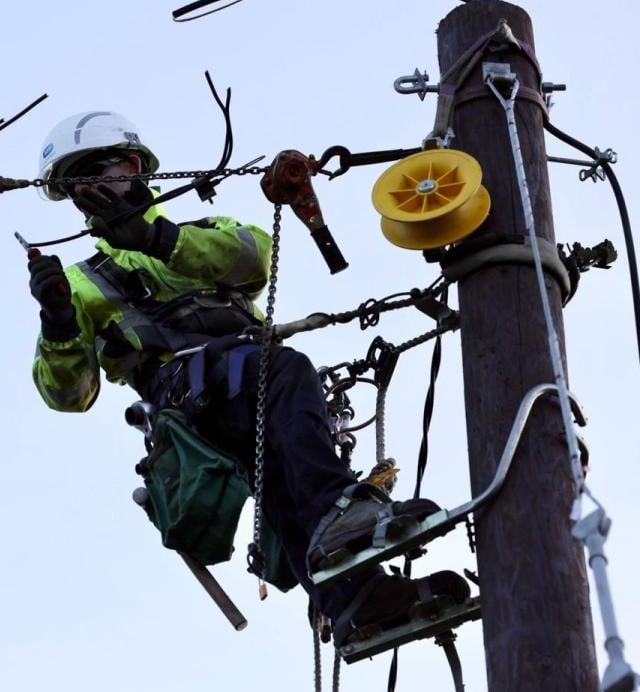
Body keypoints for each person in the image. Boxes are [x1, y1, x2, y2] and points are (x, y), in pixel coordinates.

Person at [26, 110, 469, 645]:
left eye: (101, 171)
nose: (92, 189)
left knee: (284, 475)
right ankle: (341, 515)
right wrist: (58, 320)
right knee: (284, 370)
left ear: (136, 167)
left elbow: (255, 257)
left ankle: (357, 602)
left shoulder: (199, 235)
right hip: (188, 399)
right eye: (80, 182)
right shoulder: (79, 282)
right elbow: (69, 394)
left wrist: (155, 238)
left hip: (238, 388)